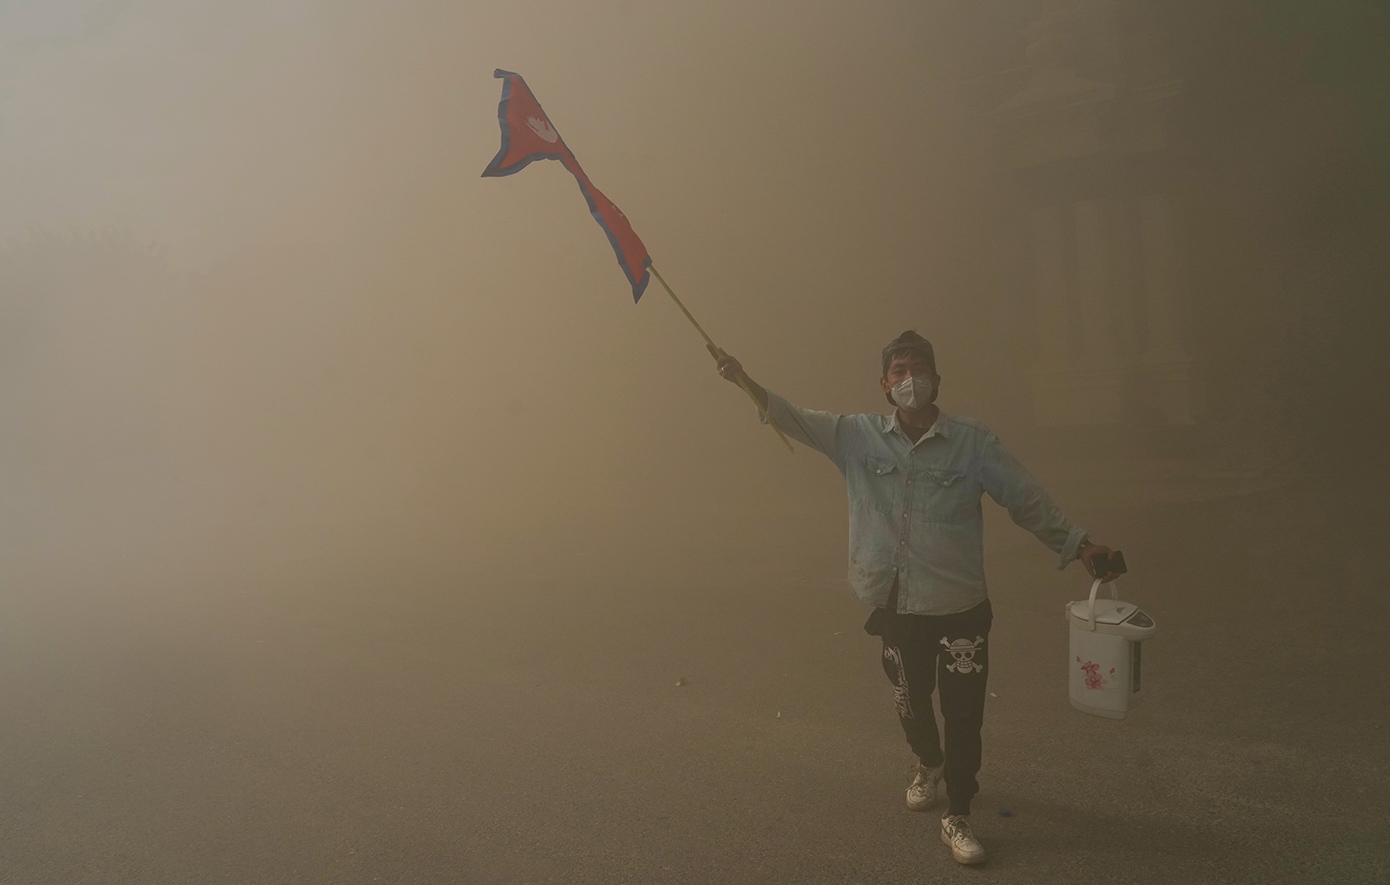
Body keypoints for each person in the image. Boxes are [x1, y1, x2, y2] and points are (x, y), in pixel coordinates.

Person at [713, 330, 1118, 866]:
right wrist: (744, 379)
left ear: (937, 379)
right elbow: (793, 417)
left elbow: (1026, 499)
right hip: (896, 603)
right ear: (884, 385)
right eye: (899, 371)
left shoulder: (973, 442)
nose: (910, 379)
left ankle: (960, 812)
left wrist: (1079, 545)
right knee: (909, 698)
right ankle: (928, 761)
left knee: (965, 713)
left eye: (919, 369)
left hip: (959, 604)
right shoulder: (855, 436)